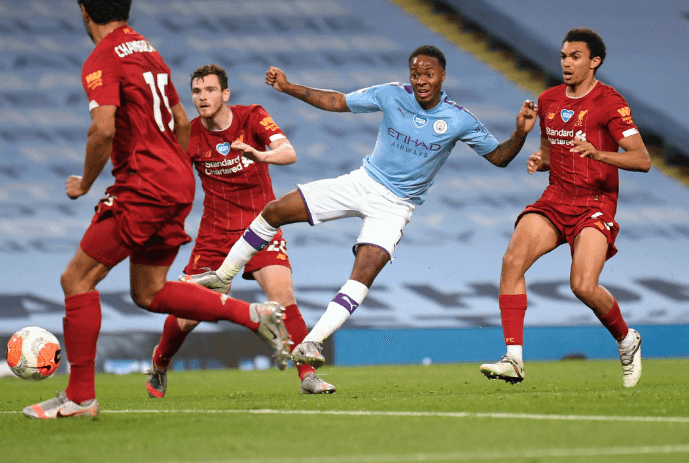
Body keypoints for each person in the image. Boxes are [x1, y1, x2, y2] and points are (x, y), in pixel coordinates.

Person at [22, 0, 291, 420]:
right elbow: (183, 122)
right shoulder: (150, 52)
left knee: (76, 280)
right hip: (176, 182)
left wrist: (85, 183)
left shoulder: (103, 58)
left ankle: (81, 397)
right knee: (149, 292)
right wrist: (172, 172)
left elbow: (102, 129)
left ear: (84, 12)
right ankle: (252, 315)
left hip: (145, 185)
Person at [188, 46, 538, 374]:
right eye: (415, 73)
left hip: (396, 206)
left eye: (428, 74)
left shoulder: (459, 119)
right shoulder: (391, 94)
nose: (420, 80)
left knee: (363, 272)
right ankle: (224, 274)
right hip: (363, 182)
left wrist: (520, 133)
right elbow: (337, 101)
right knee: (276, 209)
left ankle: (313, 341)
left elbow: (499, 157)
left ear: (442, 76)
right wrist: (288, 86)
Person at [146, 64, 335, 397]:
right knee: (188, 317)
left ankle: (307, 376)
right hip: (215, 234)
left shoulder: (252, 117)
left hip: (261, 226)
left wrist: (259, 154)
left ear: (225, 94)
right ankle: (159, 364)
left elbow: (288, 152)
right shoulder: (188, 135)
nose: (202, 97)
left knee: (282, 297)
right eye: (196, 91)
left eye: (209, 90)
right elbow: (169, 179)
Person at [481, 28, 650, 388]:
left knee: (583, 285)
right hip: (556, 199)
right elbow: (551, 153)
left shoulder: (609, 102)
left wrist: (599, 153)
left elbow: (643, 159)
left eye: (575, 56)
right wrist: (538, 157)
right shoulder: (548, 100)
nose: (567, 63)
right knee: (512, 261)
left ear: (594, 61)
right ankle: (513, 358)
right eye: (563, 56)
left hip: (594, 204)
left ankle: (626, 339)